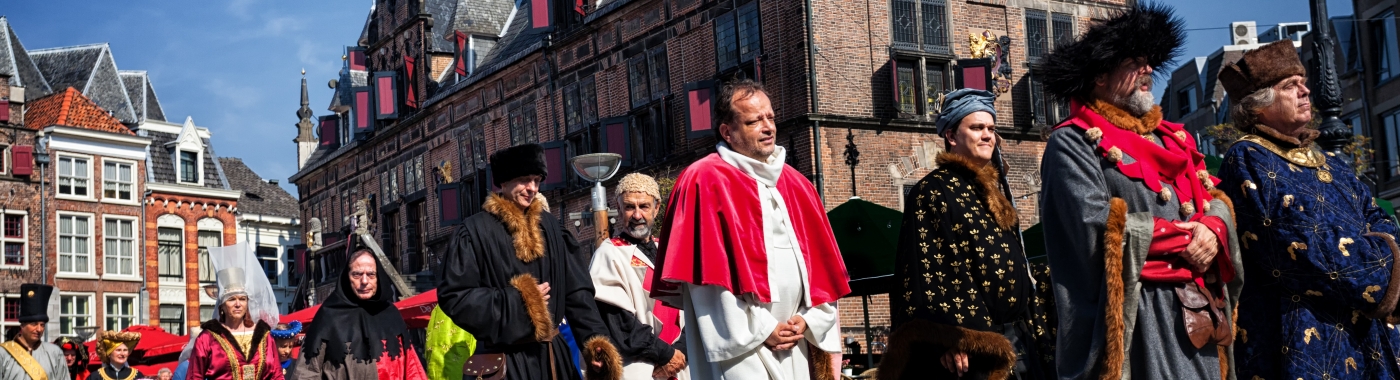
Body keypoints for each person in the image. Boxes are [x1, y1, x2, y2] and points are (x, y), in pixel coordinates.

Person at [1037, 3, 1244, 379]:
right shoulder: (1073, 141)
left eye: (1149, 62)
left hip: (1201, 310)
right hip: (1141, 315)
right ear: (1101, 75)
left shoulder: (1175, 139)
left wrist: (1213, 229)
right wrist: (1187, 240)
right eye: (1135, 62)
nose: (1148, 70)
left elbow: (1214, 197)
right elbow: (1092, 225)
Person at [1215, 40, 1400, 379]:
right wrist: (1387, 266)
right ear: (1259, 105)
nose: (1305, 91)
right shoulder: (1248, 158)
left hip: (1364, 333)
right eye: (1290, 85)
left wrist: (1385, 252)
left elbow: (1381, 221)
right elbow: (1302, 248)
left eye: (1303, 82)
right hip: (1298, 336)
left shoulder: (1333, 163)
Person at [652, 79, 850, 380]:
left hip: (795, 338)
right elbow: (706, 280)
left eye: (770, 117)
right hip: (739, 344)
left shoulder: (798, 184)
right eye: (754, 121)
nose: (768, 127)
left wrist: (809, 319)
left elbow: (820, 273)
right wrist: (762, 328)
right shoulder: (704, 180)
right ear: (727, 132)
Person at [880, 89, 1052, 380]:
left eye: (991, 129)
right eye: (977, 128)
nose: (987, 136)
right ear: (951, 136)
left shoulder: (994, 194)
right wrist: (949, 338)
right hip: (970, 347)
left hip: (1018, 337)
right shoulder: (932, 190)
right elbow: (930, 269)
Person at [438, 143, 622, 380]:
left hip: (554, 362)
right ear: (504, 182)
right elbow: (455, 297)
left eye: (537, 180)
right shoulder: (473, 232)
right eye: (525, 180)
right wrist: (518, 301)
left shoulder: (553, 228)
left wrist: (594, 341)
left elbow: (578, 293)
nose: (532, 188)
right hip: (502, 364)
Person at [589, 173, 688, 380]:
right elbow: (620, 323)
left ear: (656, 208)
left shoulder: (669, 250)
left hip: (682, 365)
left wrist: (681, 352)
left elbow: (692, 309)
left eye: (643, 206)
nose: (636, 215)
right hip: (640, 367)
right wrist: (666, 354)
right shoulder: (608, 254)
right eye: (629, 207)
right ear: (618, 209)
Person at [295, 248, 427, 379]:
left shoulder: (391, 315)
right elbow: (306, 373)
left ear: (378, 277)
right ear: (347, 277)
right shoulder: (328, 316)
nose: (364, 281)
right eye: (357, 275)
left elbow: (412, 369)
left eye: (371, 274)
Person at [181, 243, 284, 380]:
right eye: (231, 299)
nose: (238, 304)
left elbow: (276, 375)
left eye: (242, 299)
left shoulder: (264, 336)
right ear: (222, 306)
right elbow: (194, 376)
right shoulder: (208, 338)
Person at [0, 284, 69, 380]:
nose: (39, 329)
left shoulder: (55, 353)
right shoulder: (3, 353)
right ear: (22, 325)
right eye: (34, 324)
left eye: (42, 325)